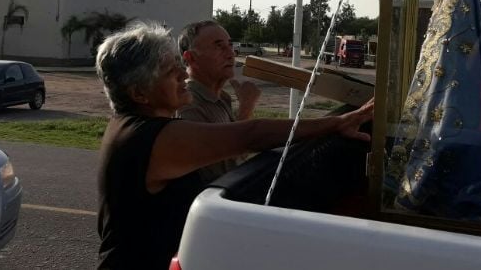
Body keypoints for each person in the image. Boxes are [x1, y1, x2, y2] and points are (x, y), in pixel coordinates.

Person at [95, 22, 373, 270]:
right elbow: (250, 135)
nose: (182, 74)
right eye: (170, 71)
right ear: (139, 93)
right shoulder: (150, 137)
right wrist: (337, 123)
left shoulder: (133, 127)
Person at [176, 20, 260, 183]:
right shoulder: (188, 105)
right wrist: (246, 106)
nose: (230, 53)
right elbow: (224, 169)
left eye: (229, 45)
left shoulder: (220, 97)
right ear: (191, 58)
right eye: (218, 46)